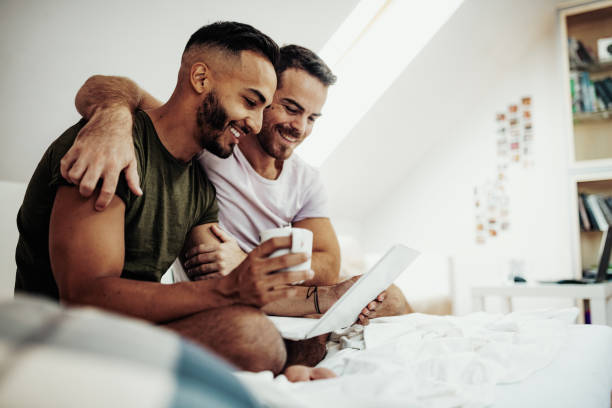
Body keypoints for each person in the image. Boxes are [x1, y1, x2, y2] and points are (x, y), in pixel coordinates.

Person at [14, 21, 332, 381]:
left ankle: (290, 376)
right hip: (61, 342)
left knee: (307, 333)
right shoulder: (111, 146)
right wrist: (226, 292)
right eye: (249, 102)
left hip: (129, 333)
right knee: (251, 335)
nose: (256, 125)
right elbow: (84, 297)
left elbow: (229, 277)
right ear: (200, 78)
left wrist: (329, 299)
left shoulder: (198, 183)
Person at [60, 43, 413, 366]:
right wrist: (113, 118)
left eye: (312, 118)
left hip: (265, 286)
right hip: (228, 295)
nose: (300, 128)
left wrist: (256, 266)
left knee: (391, 298)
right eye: (290, 108)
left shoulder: (304, 178)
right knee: (272, 336)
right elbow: (125, 93)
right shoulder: (213, 142)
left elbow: (328, 261)